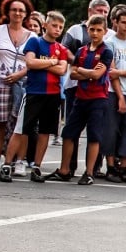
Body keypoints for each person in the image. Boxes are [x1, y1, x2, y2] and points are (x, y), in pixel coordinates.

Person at [0, 12, 70, 182]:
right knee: (21, 129)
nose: (57, 30)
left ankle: (36, 166)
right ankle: (7, 164)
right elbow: (30, 63)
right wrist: (52, 62)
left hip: (52, 95)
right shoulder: (35, 41)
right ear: (45, 25)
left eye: (60, 27)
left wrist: (43, 63)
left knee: (45, 132)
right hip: (34, 93)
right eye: (54, 25)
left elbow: (62, 70)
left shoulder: (61, 49)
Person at [44, 15, 113, 185]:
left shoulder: (106, 51)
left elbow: (98, 74)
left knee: (94, 136)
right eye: (92, 29)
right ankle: (64, 169)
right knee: (68, 133)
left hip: (98, 99)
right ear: (87, 30)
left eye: (99, 30)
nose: (95, 33)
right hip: (80, 98)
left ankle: (89, 173)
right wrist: (87, 72)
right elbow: (73, 73)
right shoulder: (81, 51)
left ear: (104, 31)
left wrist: (84, 72)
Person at [0, 0, 36, 173]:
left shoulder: (32, 36)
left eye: (21, 10)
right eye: (14, 9)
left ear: (26, 14)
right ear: (7, 11)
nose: (17, 13)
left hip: (22, 83)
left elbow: (34, 62)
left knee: (21, 124)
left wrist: (20, 74)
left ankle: (20, 161)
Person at [102, 5, 126, 184]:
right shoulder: (110, 43)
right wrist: (120, 97)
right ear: (116, 23)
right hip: (113, 92)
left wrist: (121, 73)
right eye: (123, 22)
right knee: (111, 130)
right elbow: (111, 73)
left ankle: (125, 167)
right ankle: (111, 167)